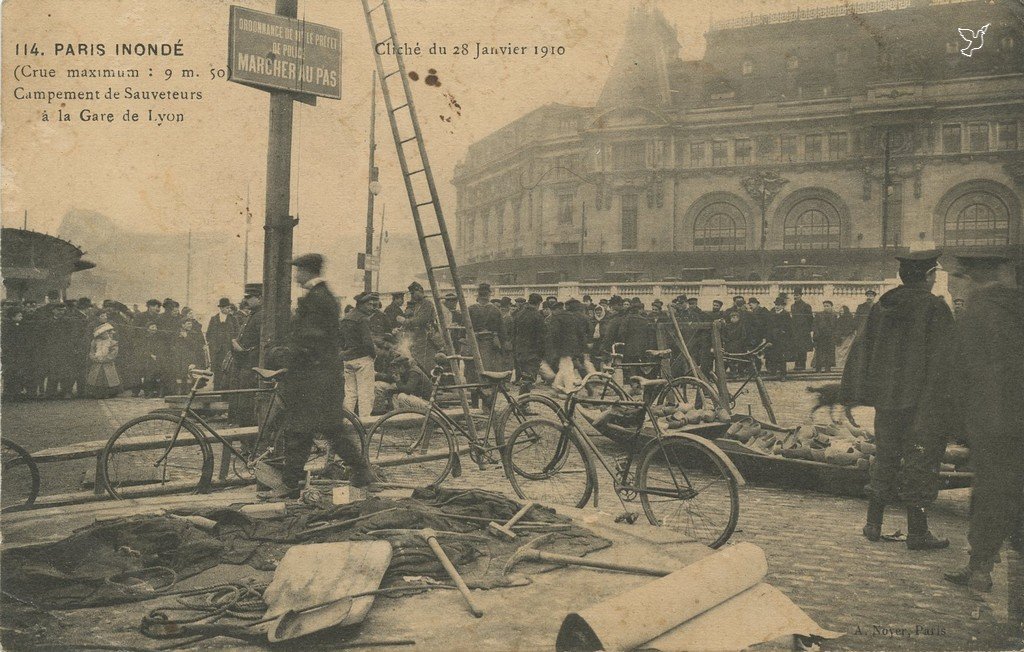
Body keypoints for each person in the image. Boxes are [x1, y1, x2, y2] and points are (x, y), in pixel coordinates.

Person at [841, 249, 956, 550]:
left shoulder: (883, 305)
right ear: (930, 276)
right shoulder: (935, 308)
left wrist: (860, 392)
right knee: (920, 460)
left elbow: (862, 348)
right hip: (922, 402)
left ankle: (873, 524)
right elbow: (945, 362)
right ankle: (917, 533)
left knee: (886, 456)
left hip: (888, 401)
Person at [944, 254, 1024, 592]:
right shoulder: (1018, 307)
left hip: (991, 420)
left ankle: (980, 569)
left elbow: (960, 368)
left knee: (990, 493)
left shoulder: (976, 310)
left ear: (974, 276)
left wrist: (956, 421)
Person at [274, 253, 373, 497]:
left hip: (314, 376)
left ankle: (291, 484)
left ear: (308, 271)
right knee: (323, 429)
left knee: (302, 429)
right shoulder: (321, 296)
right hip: (320, 376)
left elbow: (312, 338)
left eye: (298, 270)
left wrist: (289, 354)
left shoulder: (318, 299)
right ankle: (360, 471)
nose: (296, 274)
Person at [339, 291, 379, 420]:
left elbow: (340, 340)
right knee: (365, 393)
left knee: (350, 393)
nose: (371, 307)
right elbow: (367, 343)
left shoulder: (346, 318)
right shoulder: (362, 319)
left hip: (348, 359)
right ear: (361, 305)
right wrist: (373, 355)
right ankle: (365, 423)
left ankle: (347, 421)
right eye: (369, 304)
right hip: (362, 359)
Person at [229, 284, 262, 426]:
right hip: (244, 362)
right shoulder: (253, 314)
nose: (246, 300)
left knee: (247, 398)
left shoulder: (260, 316)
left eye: (250, 297)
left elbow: (262, 342)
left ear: (260, 298)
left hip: (251, 363)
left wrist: (242, 349)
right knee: (242, 396)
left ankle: (247, 431)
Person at [511, 293, 545, 393]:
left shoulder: (519, 314)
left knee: (524, 376)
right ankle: (523, 403)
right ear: (538, 303)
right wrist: (542, 352)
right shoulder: (537, 316)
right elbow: (541, 336)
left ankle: (523, 402)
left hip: (519, 350)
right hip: (532, 352)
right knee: (528, 379)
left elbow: (514, 332)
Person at [402, 281, 439, 373]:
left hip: (427, 337)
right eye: (411, 294)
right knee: (418, 360)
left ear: (420, 291)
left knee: (427, 362)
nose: (412, 296)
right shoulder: (417, 304)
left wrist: (406, 321)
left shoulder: (427, 303)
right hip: (419, 337)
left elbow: (421, 320)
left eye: (413, 293)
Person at [207, 297, 240, 390]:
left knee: (228, 370)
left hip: (229, 350)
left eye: (229, 308)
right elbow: (209, 334)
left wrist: (233, 345)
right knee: (217, 371)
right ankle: (217, 391)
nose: (228, 309)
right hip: (217, 351)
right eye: (226, 308)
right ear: (221, 308)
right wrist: (213, 346)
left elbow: (237, 333)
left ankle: (226, 393)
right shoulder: (214, 319)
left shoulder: (233, 319)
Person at [765, 294, 792, 378]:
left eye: (779, 305)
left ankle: (783, 374)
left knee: (782, 358)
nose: (777, 306)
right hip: (772, 338)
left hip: (782, 339)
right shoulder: (771, 313)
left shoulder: (786, 314)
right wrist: (768, 339)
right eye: (776, 304)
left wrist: (782, 332)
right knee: (772, 356)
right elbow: (768, 327)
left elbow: (789, 328)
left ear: (783, 306)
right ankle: (773, 372)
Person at [790, 288, 814, 371]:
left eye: (797, 295)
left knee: (803, 348)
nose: (795, 297)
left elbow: (810, 318)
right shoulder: (792, 306)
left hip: (803, 331)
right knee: (796, 348)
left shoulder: (806, 306)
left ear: (801, 295)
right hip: (795, 331)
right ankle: (797, 364)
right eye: (794, 295)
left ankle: (802, 365)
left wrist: (808, 329)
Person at [812, 300, 838, 372]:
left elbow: (836, 327)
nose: (826, 307)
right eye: (824, 306)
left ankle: (827, 368)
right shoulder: (819, 315)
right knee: (819, 353)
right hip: (821, 337)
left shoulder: (834, 316)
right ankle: (818, 368)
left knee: (829, 353)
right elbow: (815, 325)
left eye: (827, 306)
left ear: (831, 307)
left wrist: (835, 336)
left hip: (830, 337)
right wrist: (816, 335)